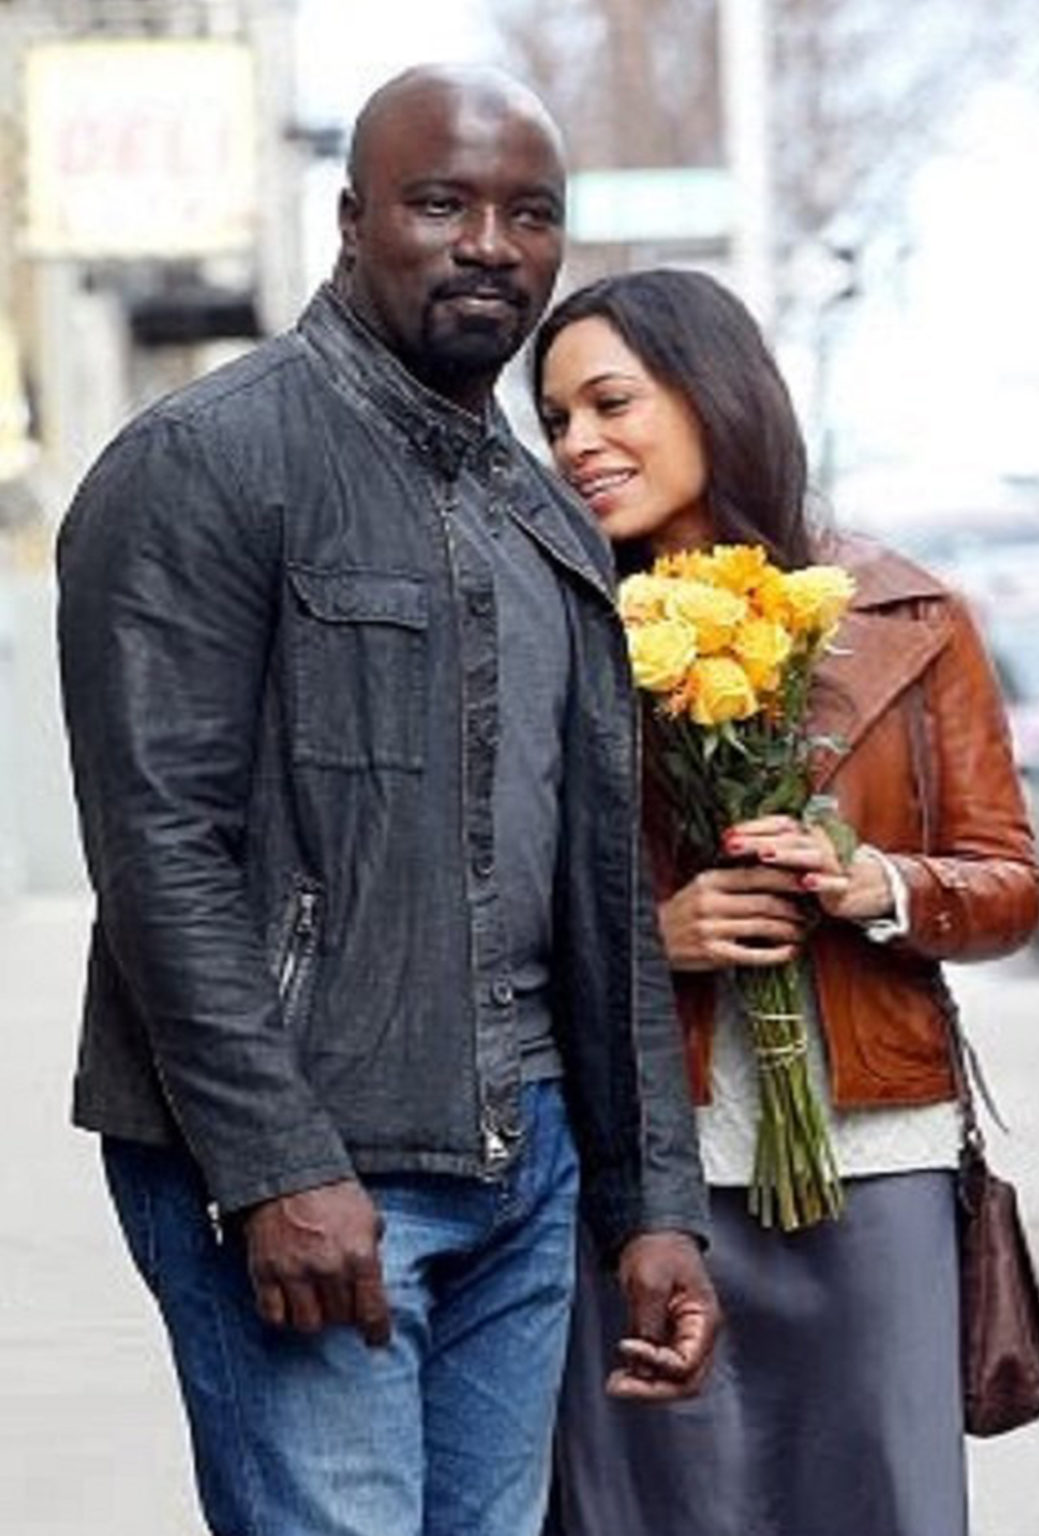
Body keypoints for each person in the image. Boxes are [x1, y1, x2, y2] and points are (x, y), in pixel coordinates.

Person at [56, 70, 718, 1536]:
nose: (490, 243)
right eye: (441, 203)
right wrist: (277, 1164)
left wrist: (648, 1199)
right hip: (312, 1166)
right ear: (353, 220)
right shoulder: (203, 462)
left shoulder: (546, 517)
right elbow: (158, 850)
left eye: (530, 214)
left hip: (527, 1159)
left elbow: (601, 887)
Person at [532, 267, 1039, 1536]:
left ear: (713, 392)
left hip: (874, 1154)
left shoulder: (906, 614)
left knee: (884, 1501)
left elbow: (1009, 882)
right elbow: (496, 895)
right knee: (663, 1507)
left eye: (611, 403)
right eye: (555, 420)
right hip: (648, 1168)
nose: (579, 444)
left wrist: (881, 883)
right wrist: (651, 940)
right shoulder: (554, 629)